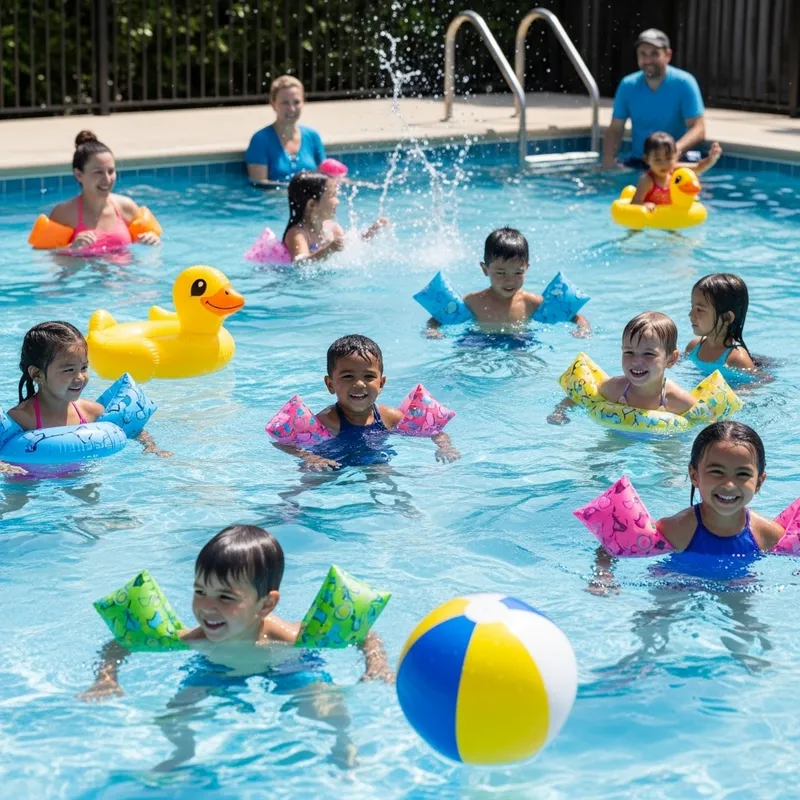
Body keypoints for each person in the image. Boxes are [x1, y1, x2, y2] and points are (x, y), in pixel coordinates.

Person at [587, 422, 786, 596]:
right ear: (694, 475)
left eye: (742, 474)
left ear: (759, 482)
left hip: (738, 586)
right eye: (717, 472)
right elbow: (611, 545)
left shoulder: (767, 534)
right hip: (677, 583)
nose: (729, 485)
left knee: (749, 630)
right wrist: (602, 575)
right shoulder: (676, 529)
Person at [0, 321, 169, 475]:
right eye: (69, 370)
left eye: (84, 367)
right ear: (37, 374)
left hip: (78, 474)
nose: (80, 377)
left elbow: (134, 429)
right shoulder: (21, 418)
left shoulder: (90, 411)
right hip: (27, 475)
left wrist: (151, 447)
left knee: (93, 503)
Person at [273, 334, 461, 471]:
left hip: (374, 459)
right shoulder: (326, 421)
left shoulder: (389, 417)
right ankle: (289, 509)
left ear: (381, 383)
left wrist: (445, 446)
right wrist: (310, 457)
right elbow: (283, 443)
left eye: (369, 376)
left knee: (387, 479)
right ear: (330, 384)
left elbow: (433, 431)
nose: (359, 384)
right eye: (347, 376)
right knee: (308, 477)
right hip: (330, 463)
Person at [426, 228, 590, 336]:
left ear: (527, 268)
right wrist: (432, 330)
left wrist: (583, 328)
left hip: (518, 341)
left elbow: (574, 316)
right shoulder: (473, 301)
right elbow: (437, 318)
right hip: (479, 340)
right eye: (501, 273)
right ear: (485, 270)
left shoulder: (531, 302)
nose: (509, 280)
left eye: (518, 272)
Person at [548, 311, 694, 424]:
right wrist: (560, 412)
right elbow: (578, 397)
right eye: (629, 352)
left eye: (648, 354)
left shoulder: (679, 400)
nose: (636, 361)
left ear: (671, 359)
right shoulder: (614, 388)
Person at [602, 29, 706, 170]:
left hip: (676, 162)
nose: (648, 60)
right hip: (640, 162)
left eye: (654, 54)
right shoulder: (628, 85)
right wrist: (608, 163)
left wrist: (673, 152)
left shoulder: (684, 83)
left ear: (668, 55)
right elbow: (615, 128)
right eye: (643, 54)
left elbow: (698, 128)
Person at [47, 131, 161, 252]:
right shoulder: (63, 214)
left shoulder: (127, 208)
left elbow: (151, 253)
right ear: (79, 175)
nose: (107, 179)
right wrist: (72, 249)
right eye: (98, 172)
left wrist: (153, 240)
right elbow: (45, 259)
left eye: (111, 171)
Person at [283, 172, 387, 262]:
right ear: (312, 205)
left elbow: (351, 246)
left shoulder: (333, 228)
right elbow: (299, 263)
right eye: (332, 196)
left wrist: (370, 233)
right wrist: (328, 250)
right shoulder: (298, 234)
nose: (337, 201)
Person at [245, 75, 326, 187]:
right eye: (285, 103)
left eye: (296, 102)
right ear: (273, 104)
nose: (292, 109)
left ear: (303, 103)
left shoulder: (312, 136)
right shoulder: (260, 140)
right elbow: (259, 185)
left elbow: (327, 177)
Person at [685, 273, 758, 374]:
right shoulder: (693, 347)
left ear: (727, 317)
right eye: (692, 307)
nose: (691, 314)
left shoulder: (736, 358)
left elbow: (757, 383)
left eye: (700, 310)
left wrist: (740, 390)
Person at [631, 132, 722, 209]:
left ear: (676, 156)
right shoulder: (647, 180)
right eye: (657, 160)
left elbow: (698, 167)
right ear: (646, 159)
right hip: (650, 219)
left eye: (668, 158)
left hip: (671, 216)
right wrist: (644, 205)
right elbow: (634, 202)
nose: (664, 164)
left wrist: (712, 158)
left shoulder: (675, 171)